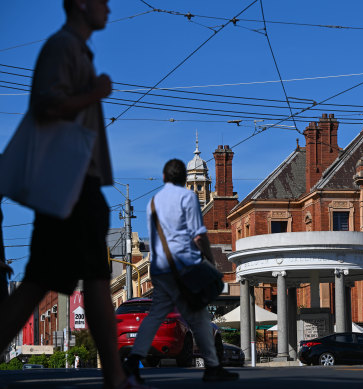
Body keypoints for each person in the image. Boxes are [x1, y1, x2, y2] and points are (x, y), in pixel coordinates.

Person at [0, 1, 150, 388]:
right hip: (71, 184)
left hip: (79, 183)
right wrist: (95, 92)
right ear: (81, 5)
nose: (109, 7)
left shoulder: (75, 49)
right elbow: (47, 106)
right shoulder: (63, 47)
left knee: (88, 279)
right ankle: (115, 377)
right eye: (101, 1)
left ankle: (114, 375)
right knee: (54, 280)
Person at [123, 159, 238, 383]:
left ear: (164, 178)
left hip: (159, 268)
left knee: (156, 314)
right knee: (200, 316)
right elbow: (198, 235)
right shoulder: (188, 198)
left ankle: (133, 360)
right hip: (184, 265)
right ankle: (213, 366)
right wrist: (210, 261)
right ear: (185, 179)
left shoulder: (153, 202)